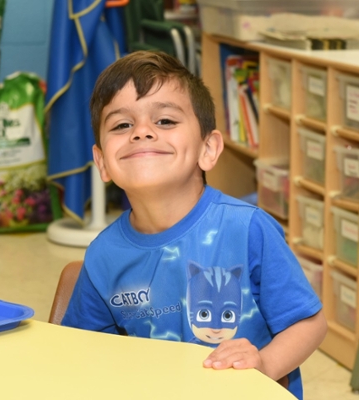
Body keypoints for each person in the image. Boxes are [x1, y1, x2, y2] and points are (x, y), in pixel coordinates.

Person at [62, 50, 327, 399]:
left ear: (208, 148)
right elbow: (83, 352)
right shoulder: (103, 256)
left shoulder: (247, 228)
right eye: (122, 125)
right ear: (103, 163)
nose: (141, 132)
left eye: (165, 121)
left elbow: (309, 323)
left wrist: (263, 364)